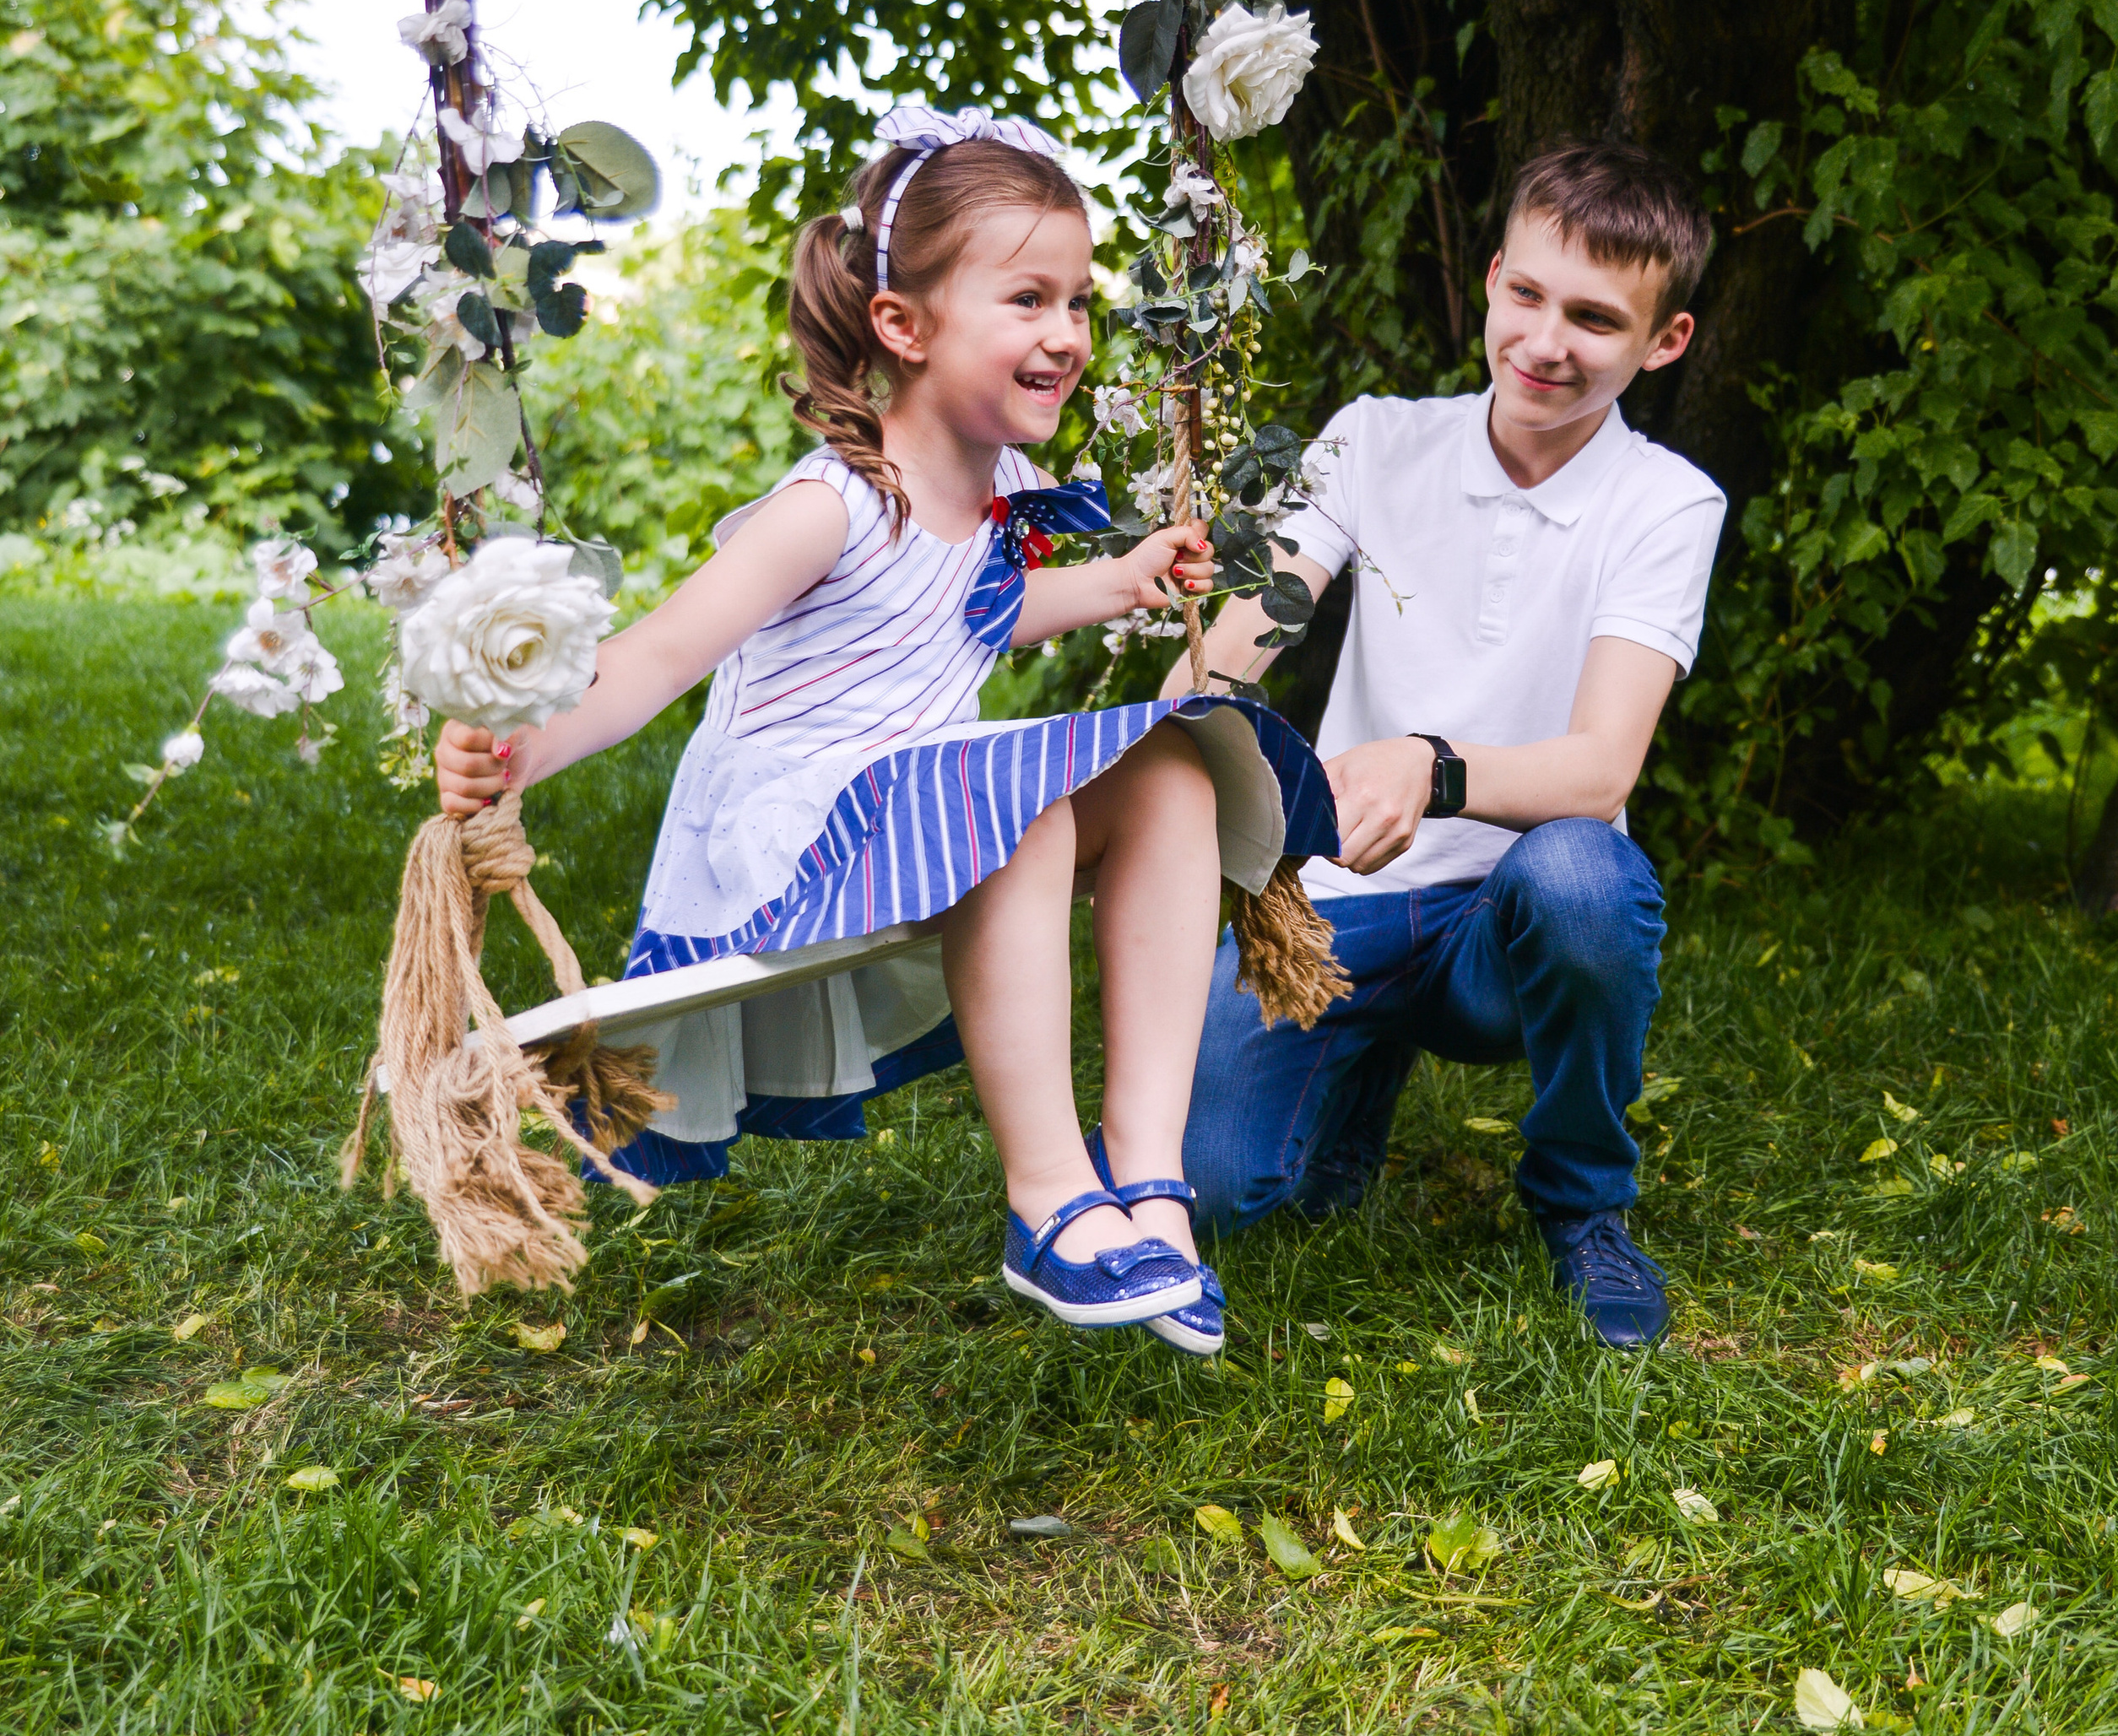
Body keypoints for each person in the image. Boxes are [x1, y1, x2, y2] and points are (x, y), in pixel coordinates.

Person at [434, 103, 1334, 1355]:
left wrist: (1121, 580)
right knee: (1016, 803)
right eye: (1028, 299)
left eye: (1079, 302)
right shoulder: (830, 506)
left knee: (1177, 772)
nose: (1068, 333)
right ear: (904, 327)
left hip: (916, 810)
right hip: (790, 836)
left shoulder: (1002, 495)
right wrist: (521, 745)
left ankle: (1147, 1172)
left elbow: (971, 614)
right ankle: (1046, 1196)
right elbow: (659, 656)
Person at [1167, 141, 1725, 1350]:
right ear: (1490, 280)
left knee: (1587, 872)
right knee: (1212, 1191)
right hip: (1336, 902)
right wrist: (1189, 702)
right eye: (1526, 294)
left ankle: (1582, 1201)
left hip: (1507, 924)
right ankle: (1356, 1080)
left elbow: (1602, 768)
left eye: (1594, 318)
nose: (1545, 341)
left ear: (1663, 341)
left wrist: (1432, 762)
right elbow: (1246, 637)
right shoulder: (1374, 439)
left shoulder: (1668, 502)